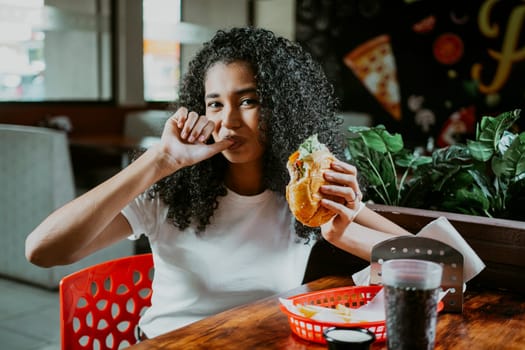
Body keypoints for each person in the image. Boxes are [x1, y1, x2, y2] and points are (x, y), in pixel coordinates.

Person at [25, 27, 410, 339]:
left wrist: (355, 210)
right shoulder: (171, 194)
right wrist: (159, 161)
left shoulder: (305, 197)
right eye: (214, 104)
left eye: (248, 101)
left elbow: (435, 266)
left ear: (284, 107)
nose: (228, 121)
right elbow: (42, 251)